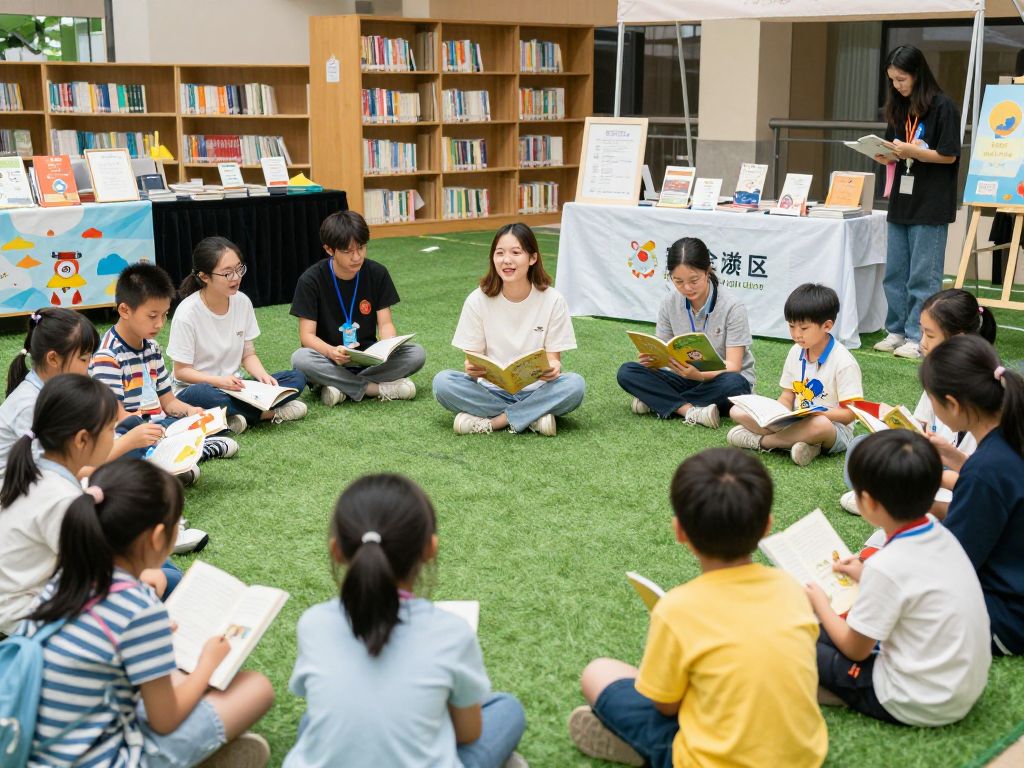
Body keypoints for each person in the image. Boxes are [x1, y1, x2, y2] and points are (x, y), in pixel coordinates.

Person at [569, 448, 827, 768]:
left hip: (708, 760)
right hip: (805, 758)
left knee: (598, 673)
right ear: (766, 527)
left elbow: (666, 707)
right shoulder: (791, 588)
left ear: (680, 532)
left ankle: (644, 749)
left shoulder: (676, 608)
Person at [17, 459, 275, 768]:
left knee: (174, 676)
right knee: (255, 688)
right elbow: (164, 720)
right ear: (156, 537)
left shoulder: (69, 576)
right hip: (104, 758)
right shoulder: (139, 608)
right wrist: (207, 664)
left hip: (30, 745)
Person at [284, 473, 528, 768]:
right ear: (430, 548)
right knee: (506, 709)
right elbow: (468, 733)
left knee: (313, 722)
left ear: (337, 551)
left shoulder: (314, 624)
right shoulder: (451, 632)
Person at [810, 430, 991, 726]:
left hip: (917, 700)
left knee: (798, 636)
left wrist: (821, 604)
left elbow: (856, 648)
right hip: (960, 686)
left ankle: (844, 692)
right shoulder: (937, 531)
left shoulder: (887, 564)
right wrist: (863, 574)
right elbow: (911, 582)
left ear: (867, 502)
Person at [840, 288, 997, 515]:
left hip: (958, 475)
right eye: (921, 332)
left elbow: (981, 475)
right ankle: (889, 494)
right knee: (860, 446)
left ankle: (892, 497)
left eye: (930, 335)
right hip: (938, 460)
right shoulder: (938, 375)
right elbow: (920, 426)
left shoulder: (982, 391)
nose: (922, 343)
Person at [89, 262, 238, 496]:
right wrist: (158, 431)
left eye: (164, 315)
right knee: (125, 446)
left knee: (196, 414)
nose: (159, 324)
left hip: (160, 427)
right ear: (125, 310)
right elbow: (118, 418)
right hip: (131, 432)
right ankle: (180, 458)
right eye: (152, 316)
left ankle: (176, 458)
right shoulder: (108, 355)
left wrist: (191, 413)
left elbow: (168, 402)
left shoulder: (152, 349)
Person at [919, 334, 1024, 656]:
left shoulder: (986, 470)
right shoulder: (1011, 436)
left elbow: (953, 563)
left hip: (1005, 616)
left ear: (952, 405)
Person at [432, 223, 584, 436]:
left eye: (516, 252)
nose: (506, 260)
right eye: (500, 253)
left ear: (532, 258)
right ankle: (532, 418)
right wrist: (471, 368)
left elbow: (554, 358)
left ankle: (495, 422)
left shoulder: (553, 300)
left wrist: (554, 367)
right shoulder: (477, 300)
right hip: (490, 391)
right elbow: (472, 359)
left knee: (575, 385)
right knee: (443, 383)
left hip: (536, 391)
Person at [0, 374, 122, 635]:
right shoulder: (61, 497)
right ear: (81, 440)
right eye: (112, 429)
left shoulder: (36, 472)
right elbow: (93, 575)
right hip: (24, 614)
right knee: (159, 581)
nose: (115, 436)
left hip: (20, 597)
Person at [872, 45, 961, 360]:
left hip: (931, 204)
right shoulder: (898, 107)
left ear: (918, 74)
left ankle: (918, 334)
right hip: (901, 202)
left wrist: (912, 151)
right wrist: (884, 154)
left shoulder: (943, 107)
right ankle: (895, 330)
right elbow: (892, 147)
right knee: (895, 272)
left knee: (924, 275)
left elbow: (949, 154)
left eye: (902, 78)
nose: (897, 85)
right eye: (893, 80)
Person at [167, 236, 308, 432]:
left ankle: (231, 417)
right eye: (227, 273)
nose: (236, 277)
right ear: (204, 276)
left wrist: (263, 377)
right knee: (204, 394)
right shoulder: (187, 313)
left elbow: (248, 354)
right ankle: (267, 414)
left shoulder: (242, 302)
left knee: (295, 379)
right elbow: (182, 372)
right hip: (196, 389)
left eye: (239, 269)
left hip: (236, 386)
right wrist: (219, 381)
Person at [616, 237, 754, 429]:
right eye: (678, 281)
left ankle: (659, 402)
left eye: (694, 280)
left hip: (719, 381)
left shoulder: (732, 307)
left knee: (736, 384)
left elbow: (734, 366)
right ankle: (690, 411)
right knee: (627, 372)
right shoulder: (669, 303)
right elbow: (664, 347)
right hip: (683, 377)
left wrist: (699, 375)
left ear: (707, 271)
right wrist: (654, 358)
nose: (687, 288)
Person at [290, 210, 425, 405]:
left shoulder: (377, 273)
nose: (356, 257)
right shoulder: (311, 280)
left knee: (416, 353)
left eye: (361, 248)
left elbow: (385, 323)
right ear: (329, 250)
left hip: (369, 358)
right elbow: (307, 336)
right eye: (348, 251)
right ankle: (373, 388)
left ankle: (339, 387)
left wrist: (387, 346)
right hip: (330, 359)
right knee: (300, 358)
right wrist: (331, 352)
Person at [728, 283, 862, 465]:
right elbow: (787, 396)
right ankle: (803, 444)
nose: (796, 334)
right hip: (796, 420)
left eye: (804, 328)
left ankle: (762, 442)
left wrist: (814, 413)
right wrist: (776, 414)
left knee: (819, 424)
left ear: (827, 326)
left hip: (833, 428)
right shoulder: (795, 351)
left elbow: (849, 415)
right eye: (791, 326)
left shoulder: (844, 361)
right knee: (737, 411)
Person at [0, 307, 99, 480]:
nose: (88, 366)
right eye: (84, 359)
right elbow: (47, 472)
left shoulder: (52, 392)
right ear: (53, 358)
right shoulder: (29, 405)